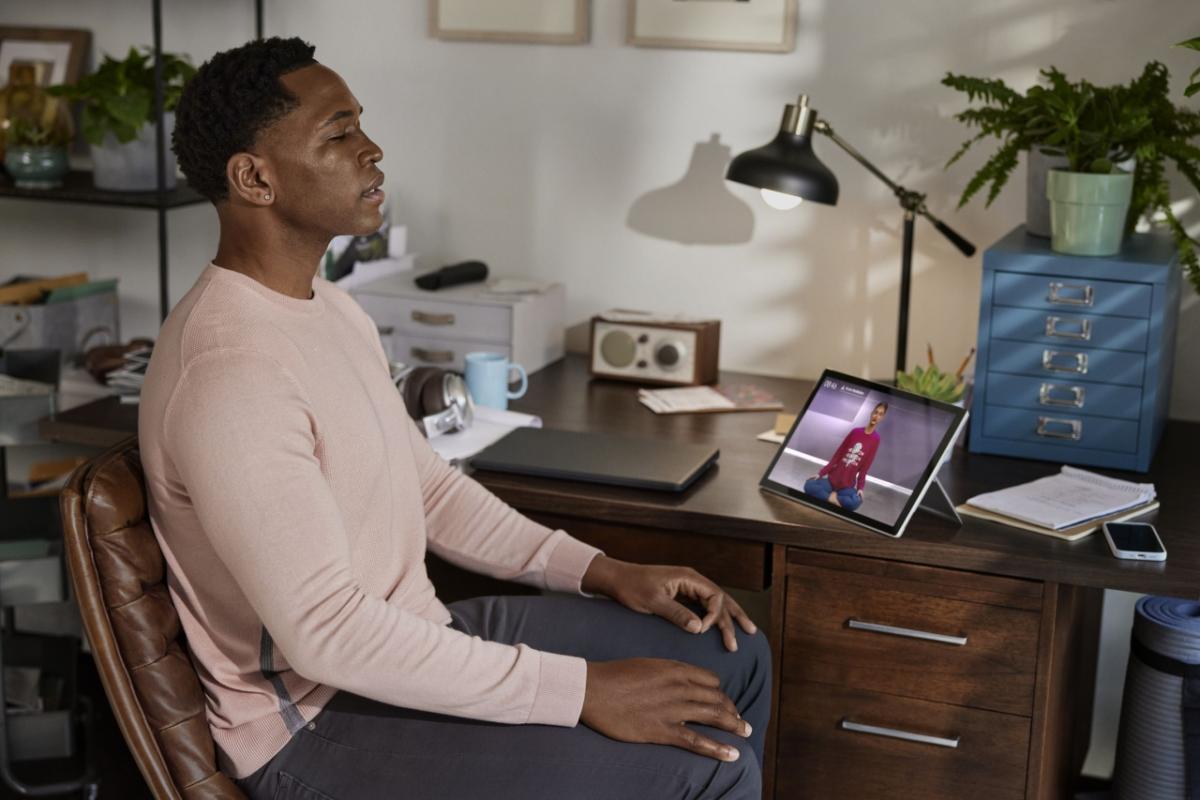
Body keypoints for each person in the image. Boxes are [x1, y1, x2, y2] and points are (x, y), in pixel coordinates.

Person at [138, 37, 770, 800]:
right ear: (254, 177)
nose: (371, 150)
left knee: (735, 653)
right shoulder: (230, 372)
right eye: (337, 134)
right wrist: (581, 690)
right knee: (705, 770)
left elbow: (430, 489)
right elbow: (328, 635)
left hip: (414, 639)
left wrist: (603, 573)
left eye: (360, 125)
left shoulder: (331, 308)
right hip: (319, 720)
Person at [803, 401, 888, 512]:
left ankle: (828, 497)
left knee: (856, 501)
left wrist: (860, 488)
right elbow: (837, 456)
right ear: (871, 413)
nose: (876, 416)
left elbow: (865, 468)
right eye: (876, 412)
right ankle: (831, 498)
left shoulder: (875, 439)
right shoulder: (855, 432)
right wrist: (821, 473)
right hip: (831, 481)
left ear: (882, 418)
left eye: (880, 414)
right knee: (809, 485)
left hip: (846, 487)